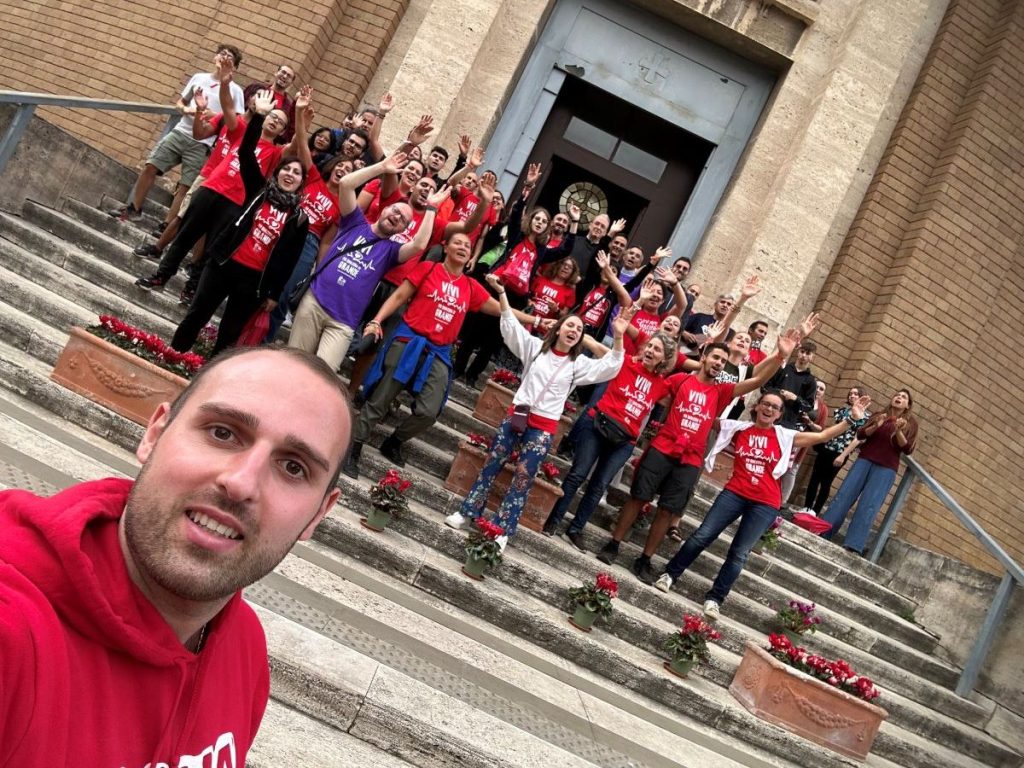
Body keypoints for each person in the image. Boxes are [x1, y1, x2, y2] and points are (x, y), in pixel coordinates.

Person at [0, 345, 351, 767]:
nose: (241, 483)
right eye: (222, 432)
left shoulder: (244, 649)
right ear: (155, 433)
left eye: (294, 468)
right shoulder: (15, 632)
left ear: (318, 514)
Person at [595, 317, 815, 584]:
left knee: (667, 510)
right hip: (662, 448)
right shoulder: (679, 380)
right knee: (638, 498)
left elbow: (756, 382)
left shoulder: (722, 391)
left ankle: (645, 559)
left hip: (691, 459)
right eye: (715, 358)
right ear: (704, 358)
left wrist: (781, 354)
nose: (719, 363)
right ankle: (614, 544)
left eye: (723, 361)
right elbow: (654, 394)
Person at [343, 232, 549, 478]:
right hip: (409, 342)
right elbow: (399, 296)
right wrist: (377, 320)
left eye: (468, 245)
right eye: (458, 243)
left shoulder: (471, 286)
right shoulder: (428, 269)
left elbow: (503, 311)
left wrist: (536, 319)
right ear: (446, 247)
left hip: (439, 352)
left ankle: (394, 441)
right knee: (380, 399)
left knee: (429, 412)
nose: (463, 247)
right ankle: (353, 446)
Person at [652, 389, 871, 620]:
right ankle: (670, 575)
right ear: (756, 407)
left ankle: (715, 599)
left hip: (765, 503)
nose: (768, 409)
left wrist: (851, 419)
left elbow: (822, 437)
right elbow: (706, 417)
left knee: (739, 553)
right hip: (735, 493)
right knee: (702, 535)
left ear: (779, 414)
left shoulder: (785, 436)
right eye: (765, 404)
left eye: (775, 407)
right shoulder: (740, 429)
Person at [444, 274, 630, 546]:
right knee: (492, 463)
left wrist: (620, 337)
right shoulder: (534, 348)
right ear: (559, 328)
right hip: (518, 415)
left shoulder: (577, 365)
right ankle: (468, 511)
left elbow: (612, 365)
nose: (573, 331)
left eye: (578, 330)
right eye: (569, 325)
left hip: (543, 428)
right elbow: (510, 327)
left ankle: (502, 530)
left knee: (523, 477)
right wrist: (502, 293)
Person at [168, 90, 310, 356]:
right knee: (195, 316)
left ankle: (208, 381)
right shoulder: (258, 189)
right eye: (287, 170)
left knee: (228, 336)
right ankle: (171, 356)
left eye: (297, 173)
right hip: (223, 264)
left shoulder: (299, 219)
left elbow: (289, 259)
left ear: (302, 182)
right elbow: (246, 151)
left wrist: (273, 293)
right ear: (277, 173)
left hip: (253, 281)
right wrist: (258, 117)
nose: (290, 174)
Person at [287, 151, 448, 368]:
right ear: (384, 210)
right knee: (293, 364)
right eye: (395, 210)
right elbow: (345, 184)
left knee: (322, 375)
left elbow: (419, 244)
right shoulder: (354, 222)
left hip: (343, 323)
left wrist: (430, 209)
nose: (396, 217)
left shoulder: (392, 251)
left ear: (402, 230)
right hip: (314, 302)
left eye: (403, 220)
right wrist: (381, 168)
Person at [543, 325, 678, 547]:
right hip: (598, 425)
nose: (651, 350)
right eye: (650, 345)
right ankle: (553, 520)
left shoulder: (662, 386)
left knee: (599, 484)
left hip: (625, 441)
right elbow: (597, 347)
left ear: (665, 359)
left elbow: (677, 403)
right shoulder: (623, 361)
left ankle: (576, 529)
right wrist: (578, 335)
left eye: (658, 349)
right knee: (577, 475)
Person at [109, 45, 245, 224]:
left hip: (204, 141)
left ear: (234, 67)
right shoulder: (199, 78)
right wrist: (186, 109)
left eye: (230, 57)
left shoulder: (235, 90)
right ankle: (134, 209)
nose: (224, 57)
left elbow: (236, 121)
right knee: (151, 165)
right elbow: (180, 102)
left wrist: (215, 116)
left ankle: (166, 225)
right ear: (215, 57)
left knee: (185, 185)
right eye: (222, 53)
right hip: (181, 131)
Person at [822, 389, 918, 553]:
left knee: (869, 506)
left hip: (886, 468)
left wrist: (899, 430)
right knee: (844, 496)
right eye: (897, 395)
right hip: (864, 461)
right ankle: (824, 531)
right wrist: (877, 425)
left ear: (908, 405)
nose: (899, 398)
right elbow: (860, 434)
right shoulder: (880, 415)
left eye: (903, 397)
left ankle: (853, 545)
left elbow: (907, 448)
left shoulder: (910, 423)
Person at [803, 386, 870, 513]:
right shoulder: (842, 410)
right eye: (850, 393)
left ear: (861, 396)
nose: (852, 396)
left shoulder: (864, 417)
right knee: (814, 478)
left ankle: (815, 512)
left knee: (826, 482)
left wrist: (843, 455)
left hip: (840, 452)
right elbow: (834, 427)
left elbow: (858, 439)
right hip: (827, 447)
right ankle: (806, 508)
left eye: (856, 394)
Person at [243, 63, 297, 141]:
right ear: (276, 73)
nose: (285, 76)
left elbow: (286, 133)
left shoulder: (288, 106)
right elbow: (240, 106)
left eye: (289, 76)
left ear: (291, 82)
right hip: (242, 127)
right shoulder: (255, 87)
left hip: (261, 142)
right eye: (283, 72)